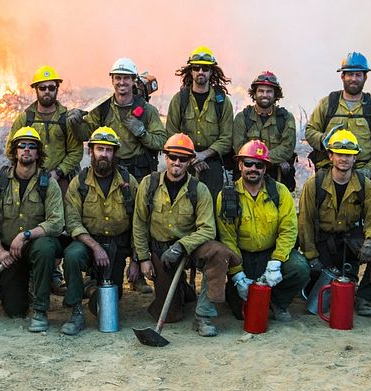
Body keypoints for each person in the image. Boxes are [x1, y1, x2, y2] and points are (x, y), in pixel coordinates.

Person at [132, 134, 238, 336]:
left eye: (183, 158)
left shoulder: (199, 189)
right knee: (170, 315)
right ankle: (184, 290)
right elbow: (139, 223)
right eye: (173, 157)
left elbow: (208, 229)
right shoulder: (149, 184)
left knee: (218, 253)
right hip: (161, 250)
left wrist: (181, 246)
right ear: (166, 157)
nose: (177, 163)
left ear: (190, 161)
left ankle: (203, 315)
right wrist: (144, 258)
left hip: (190, 249)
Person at [0, 127, 64, 332]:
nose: (27, 150)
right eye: (22, 145)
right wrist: (0, 251)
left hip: (34, 246)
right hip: (9, 252)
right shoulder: (0, 183)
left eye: (32, 146)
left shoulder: (48, 183)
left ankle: (40, 310)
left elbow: (56, 222)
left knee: (45, 248)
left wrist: (26, 235)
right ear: (15, 151)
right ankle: (23, 286)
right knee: (15, 310)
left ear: (38, 153)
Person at [297, 129, 371, 317]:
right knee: (319, 292)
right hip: (323, 242)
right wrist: (312, 257)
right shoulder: (315, 184)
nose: (344, 159)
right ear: (330, 156)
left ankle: (365, 298)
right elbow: (304, 222)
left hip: (350, 242)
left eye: (349, 155)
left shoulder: (365, 185)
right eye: (339, 154)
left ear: (355, 158)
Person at [217, 140, 309, 322]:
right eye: (248, 164)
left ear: (265, 169)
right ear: (240, 165)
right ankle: (236, 292)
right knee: (240, 313)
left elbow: (288, 229)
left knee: (300, 268)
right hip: (242, 256)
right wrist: (237, 274)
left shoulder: (280, 192)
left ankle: (278, 302)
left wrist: (276, 262)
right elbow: (227, 238)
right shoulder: (227, 195)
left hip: (270, 253)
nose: (253, 169)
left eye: (259, 165)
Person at [60, 127, 135, 336]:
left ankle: (93, 286)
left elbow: (140, 222)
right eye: (99, 149)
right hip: (87, 242)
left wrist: (137, 260)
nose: (104, 154)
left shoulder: (128, 182)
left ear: (115, 154)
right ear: (90, 152)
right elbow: (73, 221)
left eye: (109, 150)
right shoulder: (80, 183)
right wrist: (94, 247)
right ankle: (76, 311)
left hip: (118, 245)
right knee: (72, 256)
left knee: (112, 296)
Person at [71, 57, 166, 182]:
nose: (122, 82)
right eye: (118, 78)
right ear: (112, 81)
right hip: (109, 171)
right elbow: (85, 133)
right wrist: (74, 122)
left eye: (126, 78)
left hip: (138, 174)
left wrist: (142, 133)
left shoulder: (147, 110)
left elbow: (161, 142)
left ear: (133, 81)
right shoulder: (102, 108)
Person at [305, 51, 371, 184]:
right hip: (328, 171)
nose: (354, 79)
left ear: (365, 77)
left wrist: (370, 170)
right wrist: (324, 140)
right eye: (350, 74)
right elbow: (310, 130)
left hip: (361, 172)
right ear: (342, 76)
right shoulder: (328, 104)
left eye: (358, 75)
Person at [165, 46, 235, 198]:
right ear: (191, 71)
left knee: (210, 205)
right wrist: (192, 158)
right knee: (181, 207)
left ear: (211, 72)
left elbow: (227, 138)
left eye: (205, 68)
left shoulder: (222, 102)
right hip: (182, 161)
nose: (201, 72)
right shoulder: (179, 99)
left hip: (211, 163)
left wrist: (204, 154)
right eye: (196, 68)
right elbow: (171, 133)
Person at [8, 65, 83, 194]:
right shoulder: (25, 119)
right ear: (36, 90)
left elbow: (76, 152)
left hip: (61, 181)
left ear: (57, 89)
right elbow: (11, 148)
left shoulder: (66, 119)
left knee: (61, 213)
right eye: (42, 88)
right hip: (30, 180)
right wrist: (27, 170)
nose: (47, 91)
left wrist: (59, 172)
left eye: (51, 87)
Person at [232, 71, 298, 191]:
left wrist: (264, 160)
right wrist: (266, 160)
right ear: (255, 94)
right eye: (261, 91)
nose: (265, 95)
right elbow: (239, 148)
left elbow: (287, 148)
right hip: (249, 173)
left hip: (276, 175)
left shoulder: (286, 118)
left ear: (275, 94)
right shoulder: (242, 118)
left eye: (269, 91)